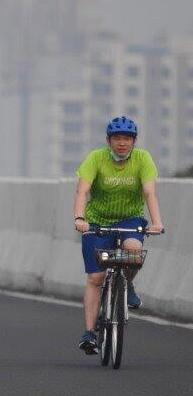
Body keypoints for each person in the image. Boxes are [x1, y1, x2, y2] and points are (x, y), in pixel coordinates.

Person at [74, 116, 164, 355]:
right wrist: (80, 219)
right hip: (97, 221)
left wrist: (156, 222)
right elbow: (82, 190)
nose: (122, 143)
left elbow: (149, 192)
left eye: (127, 138)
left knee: (134, 249)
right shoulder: (96, 158)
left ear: (134, 141)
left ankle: (128, 284)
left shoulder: (143, 159)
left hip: (129, 219)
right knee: (96, 277)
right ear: (108, 140)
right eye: (117, 138)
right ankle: (90, 332)